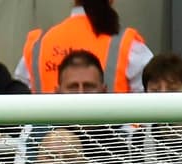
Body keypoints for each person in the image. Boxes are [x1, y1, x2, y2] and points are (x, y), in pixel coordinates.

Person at [18, 0, 151, 94]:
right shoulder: (126, 43)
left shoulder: (39, 43)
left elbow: (18, 98)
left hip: (49, 133)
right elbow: (152, 98)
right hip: (113, 133)